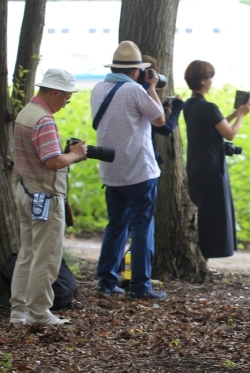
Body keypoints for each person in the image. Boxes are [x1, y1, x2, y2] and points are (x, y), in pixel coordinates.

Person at [9, 68, 88, 325]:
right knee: (47, 256)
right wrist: (76, 154)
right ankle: (39, 311)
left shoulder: (25, 113)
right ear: (54, 92)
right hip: (44, 195)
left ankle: (19, 310)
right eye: (66, 96)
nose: (67, 102)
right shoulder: (43, 120)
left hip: (25, 190)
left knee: (28, 253)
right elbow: (53, 162)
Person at [91, 41, 167, 300]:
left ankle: (107, 280)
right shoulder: (135, 90)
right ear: (135, 70)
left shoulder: (98, 89)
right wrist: (153, 88)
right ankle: (140, 285)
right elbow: (159, 119)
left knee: (115, 226)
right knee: (142, 227)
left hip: (112, 172)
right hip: (139, 171)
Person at [116, 54, 185, 276]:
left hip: (118, 169)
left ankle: (117, 274)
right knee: (141, 228)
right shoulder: (139, 92)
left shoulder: (122, 92)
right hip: (141, 169)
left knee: (121, 227)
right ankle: (135, 278)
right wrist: (176, 109)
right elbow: (163, 128)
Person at [183, 60, 250, 259]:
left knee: (201, 209)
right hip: (212, 167)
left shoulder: (190, 105)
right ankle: (212, 251)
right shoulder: (209, 107)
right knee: (214, 211)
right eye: (210, 77)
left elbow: (214, 124)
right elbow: (229, 134)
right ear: (203, 82)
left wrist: (232, 113)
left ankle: (200, 251)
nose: (212, 82)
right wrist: (241, 116)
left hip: (195, 165)